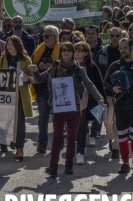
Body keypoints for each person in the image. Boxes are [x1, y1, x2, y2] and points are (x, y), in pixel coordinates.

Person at [30, 43, 104, 176]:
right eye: (63, 50)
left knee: (71, 138)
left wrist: (99, 97)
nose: (66, 53)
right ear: (60, 52)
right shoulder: (54, 67)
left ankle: (68, 165)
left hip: (73, 108)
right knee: (57, 137)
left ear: (72, 53)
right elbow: (39, 79)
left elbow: (89, 83)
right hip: (58, 108)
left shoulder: (78, 69)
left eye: (69, 50)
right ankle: (53, 166)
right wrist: (35, 71)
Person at [104, 38, 133, 174]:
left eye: (125, 47)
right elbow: (106, 82)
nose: (122, 50)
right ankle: (125, 163)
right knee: (122, 135)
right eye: (120, 48)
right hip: (120, 106)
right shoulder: (115, 65)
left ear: (131, 48)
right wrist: (113, 88)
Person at [0, 36, 34, 161]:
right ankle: (6, 142)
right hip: (5, 95)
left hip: (20, 95)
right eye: (8, 44)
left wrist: (27, 78)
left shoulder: (26, 59)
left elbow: (33, 77)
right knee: (5, 121)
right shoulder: (1, 59)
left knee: (19, 123)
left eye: (12, 44)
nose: (9, 47)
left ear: (18, 45)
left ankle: (19, 149)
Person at [73, 42, 105, 165]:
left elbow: (98, 84)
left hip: (88, 101)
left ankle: (80, 151)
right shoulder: (68, 66)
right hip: (73, 101)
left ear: (86, 53)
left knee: (83, 125)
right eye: (75, 49)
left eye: (80, 50)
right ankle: (79, 149)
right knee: (78, 128)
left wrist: (101, 100)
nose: (77, 52)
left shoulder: (92, 67)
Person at [31, 25, 60, 154]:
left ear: (55, 37)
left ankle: (59, 142)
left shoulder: (62, 49)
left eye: (47, 36)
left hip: (58, 88)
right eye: (43, 36)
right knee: (43, 117)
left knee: (58, 117)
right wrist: (38, 66)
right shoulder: (38, 50)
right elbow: (31, 65)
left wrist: (54, 66)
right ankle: (42, 143)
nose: (44, 38)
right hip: (42, 88)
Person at [103, 27, 123, 159]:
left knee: (117, 120)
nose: (114, 38)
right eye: (112, 35)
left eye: (117, 35)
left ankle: (116, 147)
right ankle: (111, 138)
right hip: (107, 90)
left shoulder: (125, 51)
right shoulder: (103, 51)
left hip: (121, 92)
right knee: (107, 121)